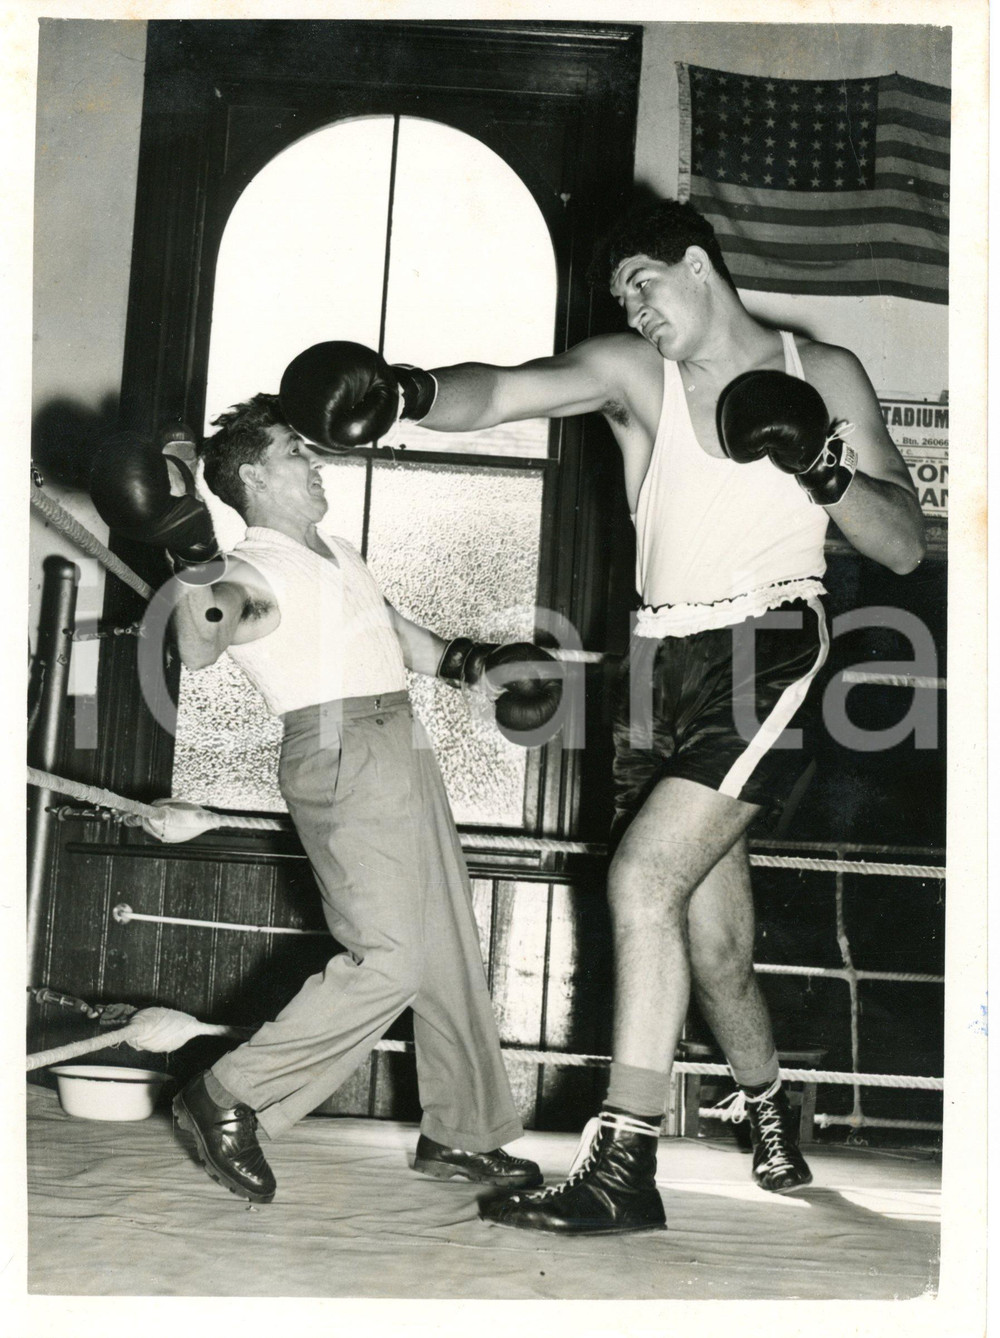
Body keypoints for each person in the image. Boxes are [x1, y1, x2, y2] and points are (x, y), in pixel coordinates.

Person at [276, 197, 926, 1235]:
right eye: (620, 293)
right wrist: (404, 392)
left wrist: (820, 462)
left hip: (768, 646)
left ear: (699, 265)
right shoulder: (637, 373)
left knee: (639, 881)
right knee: (711, 944)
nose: (634, 306)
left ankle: (623, 1158)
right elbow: (505, 392)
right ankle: (768, 1106)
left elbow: (900, 545)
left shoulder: (825, 374)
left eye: (643, 282)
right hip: (654, 667)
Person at [89, 395, 564, 1205]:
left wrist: (475, 665)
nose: (316, 464)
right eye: (294, 453)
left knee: (446, 947)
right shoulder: (247, 573)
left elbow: (402, 637)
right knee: (390, 958)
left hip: (399, 742)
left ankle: (463, 1134)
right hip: (338, 751)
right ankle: (227, 1094)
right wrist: (192, 556)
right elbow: (202, 643)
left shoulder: (338, 552)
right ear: (251, 476)